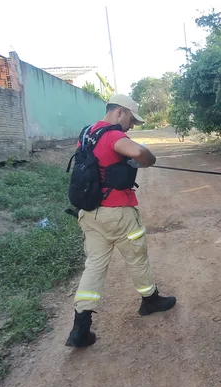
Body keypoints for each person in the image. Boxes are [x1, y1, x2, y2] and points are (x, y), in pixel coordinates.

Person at [65, 94, 176, 348]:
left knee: (94, 266)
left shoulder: (86, 133)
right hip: (117, 212)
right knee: (137, 256)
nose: (131, 126)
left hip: (90, 213)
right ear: (119, 112)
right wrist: (149, 159)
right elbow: (138, 152)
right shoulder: (113, 135)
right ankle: (150, 301)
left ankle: (80, 328)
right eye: (131, 120)